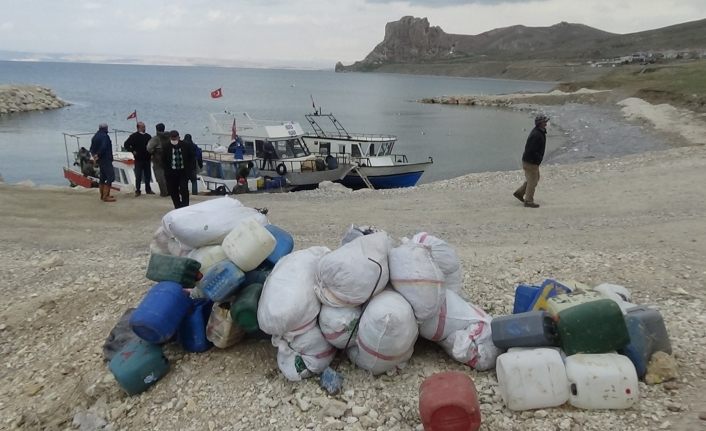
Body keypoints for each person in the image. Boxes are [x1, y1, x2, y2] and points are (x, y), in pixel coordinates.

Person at [514, 114, 549, 208]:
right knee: (532, 181)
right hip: (531, 162)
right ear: (540, 123)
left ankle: (519, 193)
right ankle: (528, 201)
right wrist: (536, 160)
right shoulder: (536, 134)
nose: (546, 123)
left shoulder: (539, 132)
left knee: (534, 179)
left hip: (531, 161)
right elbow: (530, 150)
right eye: (544, 121)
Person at [162, 130, 196, 209]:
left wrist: (190, 169)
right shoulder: (166, 146)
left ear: (178, 137)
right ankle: (177, 206)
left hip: (183, 172)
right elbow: (163, 160)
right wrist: (166, 171)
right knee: (173, 190)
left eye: (175, 138)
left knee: (184, 189)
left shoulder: (185, 145)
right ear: (170, 138)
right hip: (172, 172)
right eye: (172, 138)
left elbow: (191, 157)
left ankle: (185, 206)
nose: (174, 140)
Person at [123, 121, 153, 196]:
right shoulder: (134, 136)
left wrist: (152, 154)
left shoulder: (148, 136)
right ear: (138, 127)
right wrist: (132, 151)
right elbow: (126, 144)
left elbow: (152, 146)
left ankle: (148, 189)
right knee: (138, 175)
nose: (144, 128)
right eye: (143, 127)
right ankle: (138, 190)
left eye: (144, 127)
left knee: (148, 175)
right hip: (138, 159)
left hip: (147, 158)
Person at [89, 123, 116, 202]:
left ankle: (102, 195)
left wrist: (94, 155)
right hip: (106, 159)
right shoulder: (105, 136)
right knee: (111, 177)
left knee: (103, 177)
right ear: (106, 128)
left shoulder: (95, 136)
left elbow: (91, 148)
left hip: (100, 160)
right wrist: (99, 154)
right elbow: (104, 147)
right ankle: (105, 196)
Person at [147, 123, 170, 197]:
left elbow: (149, 148)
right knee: (168, 176)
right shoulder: (169, 137)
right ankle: (170, 191)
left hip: (158, 160)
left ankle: (164, 192)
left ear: (156, 129)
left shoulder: (156, 138)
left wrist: (153, 152)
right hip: (168, 160)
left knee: (160, 177)